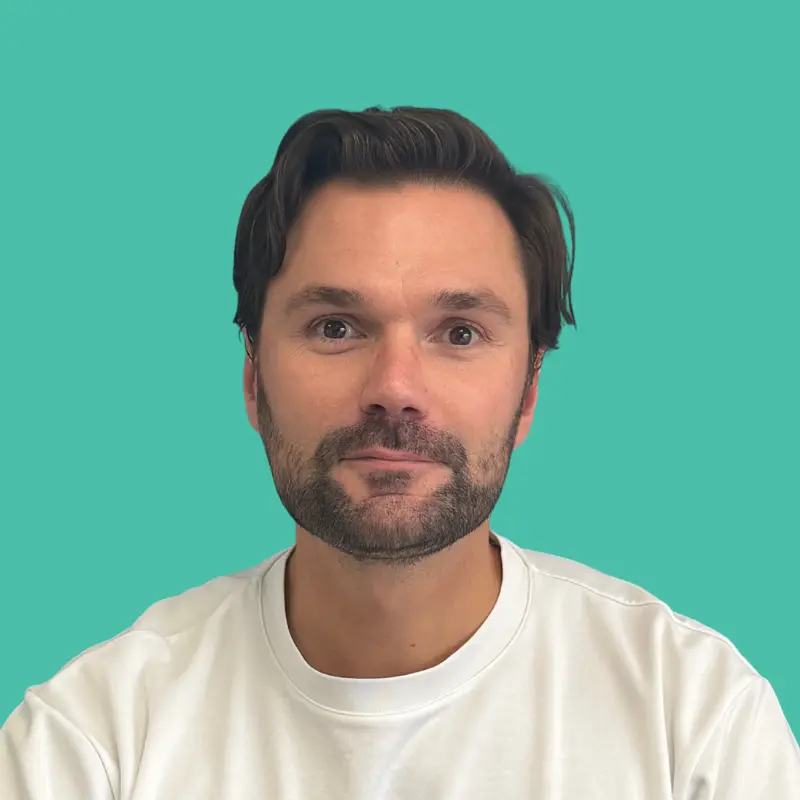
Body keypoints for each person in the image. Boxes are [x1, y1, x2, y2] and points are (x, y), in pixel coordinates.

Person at [1, 105, 798, 799]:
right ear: (252, 379)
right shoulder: (94, 742)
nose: (395, 388)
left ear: (528, 391)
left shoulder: (695, 722)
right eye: (335, 327)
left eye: (460, 333)